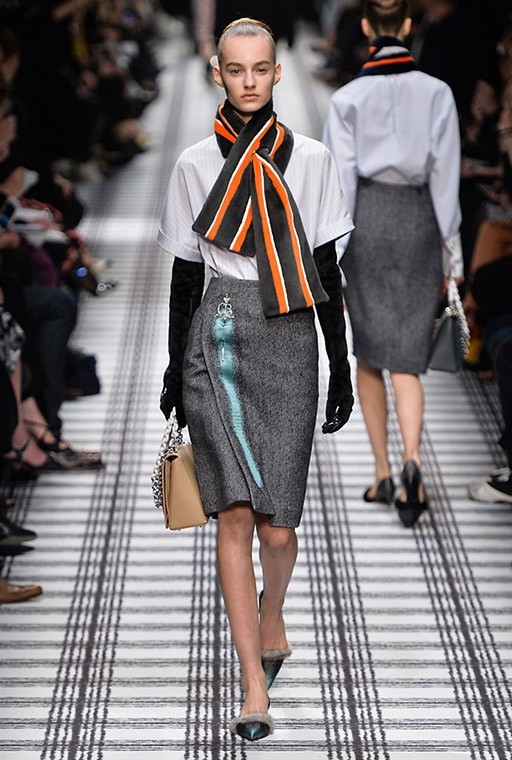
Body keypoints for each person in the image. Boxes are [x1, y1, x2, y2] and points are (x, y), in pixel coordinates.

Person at [157, 18, 353, 741]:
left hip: (292, 332)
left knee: (279, 527)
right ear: (217, 73)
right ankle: (252, 686)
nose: (247, 81)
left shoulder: (313, 160)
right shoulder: (192, 165)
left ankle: (273, 614)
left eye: (259, 69)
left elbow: (326, 272)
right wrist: (174, 369)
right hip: (220, 333)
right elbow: (184, 277)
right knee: (235, 517)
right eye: (235, 69)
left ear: (276, 73)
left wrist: (339, 367)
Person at [323, 0, 463, 527]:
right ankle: (413, 461)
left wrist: (333, 255)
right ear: (408, 24)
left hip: (369, 219)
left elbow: (341, 180)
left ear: (365, 26)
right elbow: (446, 178)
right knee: (407, 355)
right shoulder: (438, 93)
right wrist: (453, 252)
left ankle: (382, 471)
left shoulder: (348, 98)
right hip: (419, 217)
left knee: (369, 354)